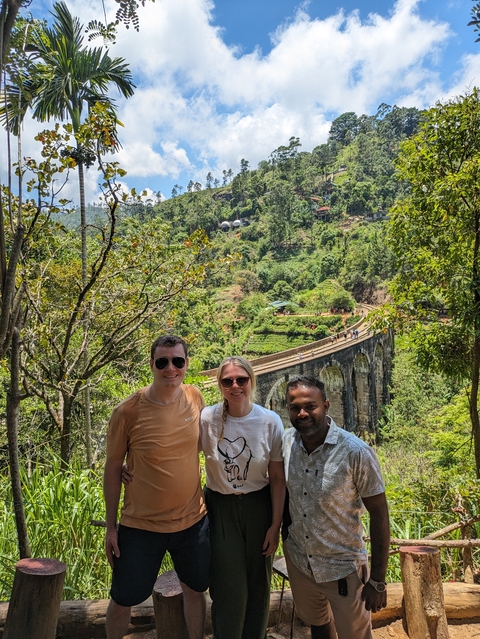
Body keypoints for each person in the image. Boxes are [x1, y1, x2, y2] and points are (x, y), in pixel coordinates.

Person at [103, 335, 210, 639]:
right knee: (123, 598)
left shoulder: (195, 397)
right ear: (151, 364)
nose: (170, 368)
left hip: (192, 520)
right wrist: (111, 527)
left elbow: (202, 447)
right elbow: (112, 467)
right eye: (162, 362)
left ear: (186, 364)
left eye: (177, 361)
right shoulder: (129, 411)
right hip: (140, 525)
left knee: (194, 589)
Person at [282, 375, 390, 639]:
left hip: (343, 569)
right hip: (300, 562)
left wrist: (377, 579)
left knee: (355, 635)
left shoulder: (355, 452)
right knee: (318, 625)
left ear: (326, 406)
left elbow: (379, 513)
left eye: (311, 406)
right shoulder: (286, 443)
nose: (303, 413)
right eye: (295, 408)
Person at [200, 356, 286, 639]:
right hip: (220, 506)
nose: (235, 386)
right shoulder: (207, 419)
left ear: (252, 381)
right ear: (220, 385)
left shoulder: (269, 421)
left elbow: (276, 477)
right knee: (227, 584)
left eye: (241, 380)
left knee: (259, 583)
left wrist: (275, 525)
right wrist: (132, 465)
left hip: (258, 506)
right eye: (228, 381)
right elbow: (177, 452)